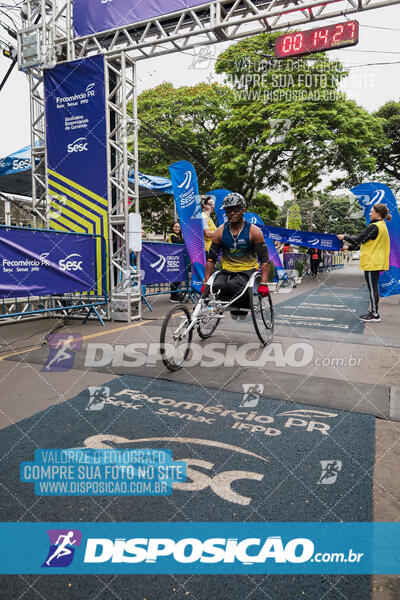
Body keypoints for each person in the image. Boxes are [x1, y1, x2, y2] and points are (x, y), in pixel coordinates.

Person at [201, 193, 270, 319]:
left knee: (234, 286)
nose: (231, 213)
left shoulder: (254, 231)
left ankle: (241, 307)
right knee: (217, 286)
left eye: (235, 209)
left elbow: (264, 260)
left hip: (247, 270)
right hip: (227, 270)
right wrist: (206, 282)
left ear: (243, 210)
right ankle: (230, 306)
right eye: (228, 210)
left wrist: (264, 283)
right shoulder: (220, 231)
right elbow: (211, 259)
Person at [337, 203, 391, 322]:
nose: (370, 213)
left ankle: (375, 314)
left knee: (372, 288)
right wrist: (347, 248)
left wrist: (344, 237)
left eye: (372, 211)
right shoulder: (382, 226)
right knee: (373, 288)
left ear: (378, 213)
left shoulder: (375, 227)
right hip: (375, 261)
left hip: (373, 262)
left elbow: (359, 239)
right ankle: (374, 312)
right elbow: (364, 243)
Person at [168, 222, 185, 303]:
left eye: (178, 227)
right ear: (172, 228)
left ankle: (177, 295)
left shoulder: (179, 236)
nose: (177, 228)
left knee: (178, 278)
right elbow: (179, 242)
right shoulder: (172, 235)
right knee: (175, 278)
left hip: (179, 258)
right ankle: (173, 296)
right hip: (173, 259)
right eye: (176, 227)